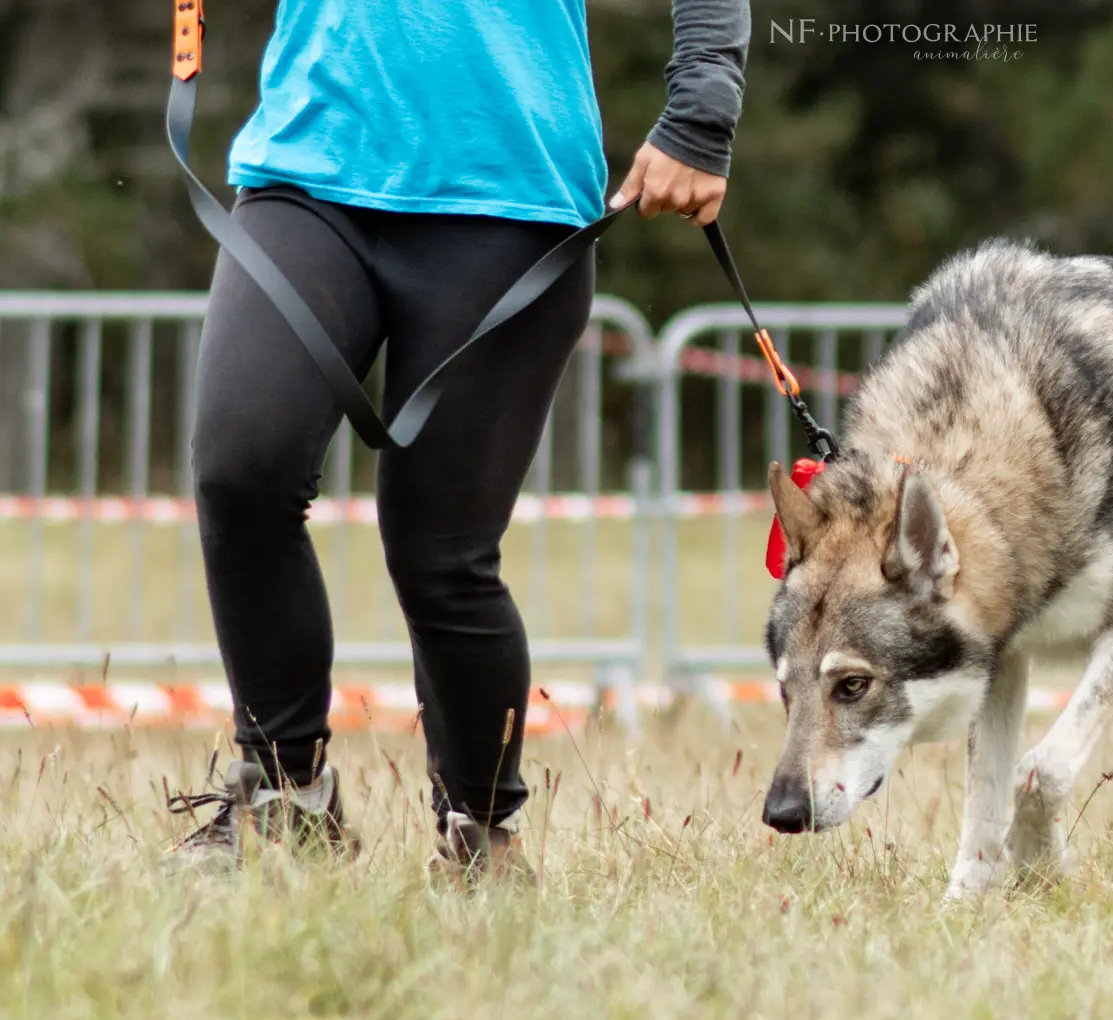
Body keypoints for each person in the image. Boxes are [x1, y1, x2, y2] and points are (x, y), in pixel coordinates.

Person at [167, 0, 750, 878]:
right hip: (307, 165)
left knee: (441, 554)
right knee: (240, 474)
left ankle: (479, 833)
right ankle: (284, 796)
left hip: (511, 192)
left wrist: (701, 118)